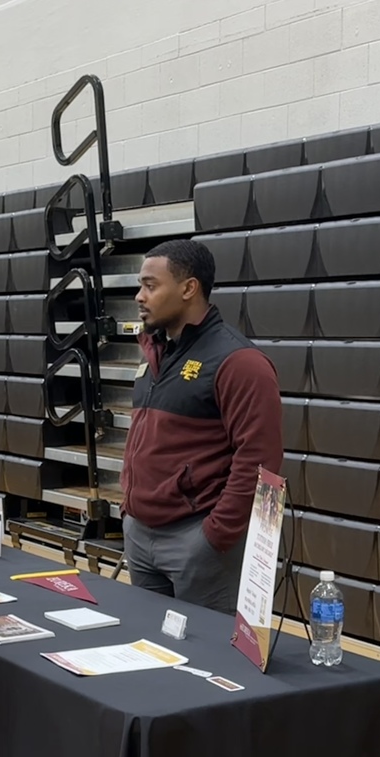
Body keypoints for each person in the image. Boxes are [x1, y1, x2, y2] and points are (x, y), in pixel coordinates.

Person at [120, 239, 283, 615]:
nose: (139, 296)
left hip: (199, 542)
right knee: (148, 643)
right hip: (140, 535)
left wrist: (215, 535)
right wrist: (129, 510)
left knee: (207, 649)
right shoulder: (155, 351)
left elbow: (261, 461)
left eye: (150, 285)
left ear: (188, 288)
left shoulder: (239, 362)